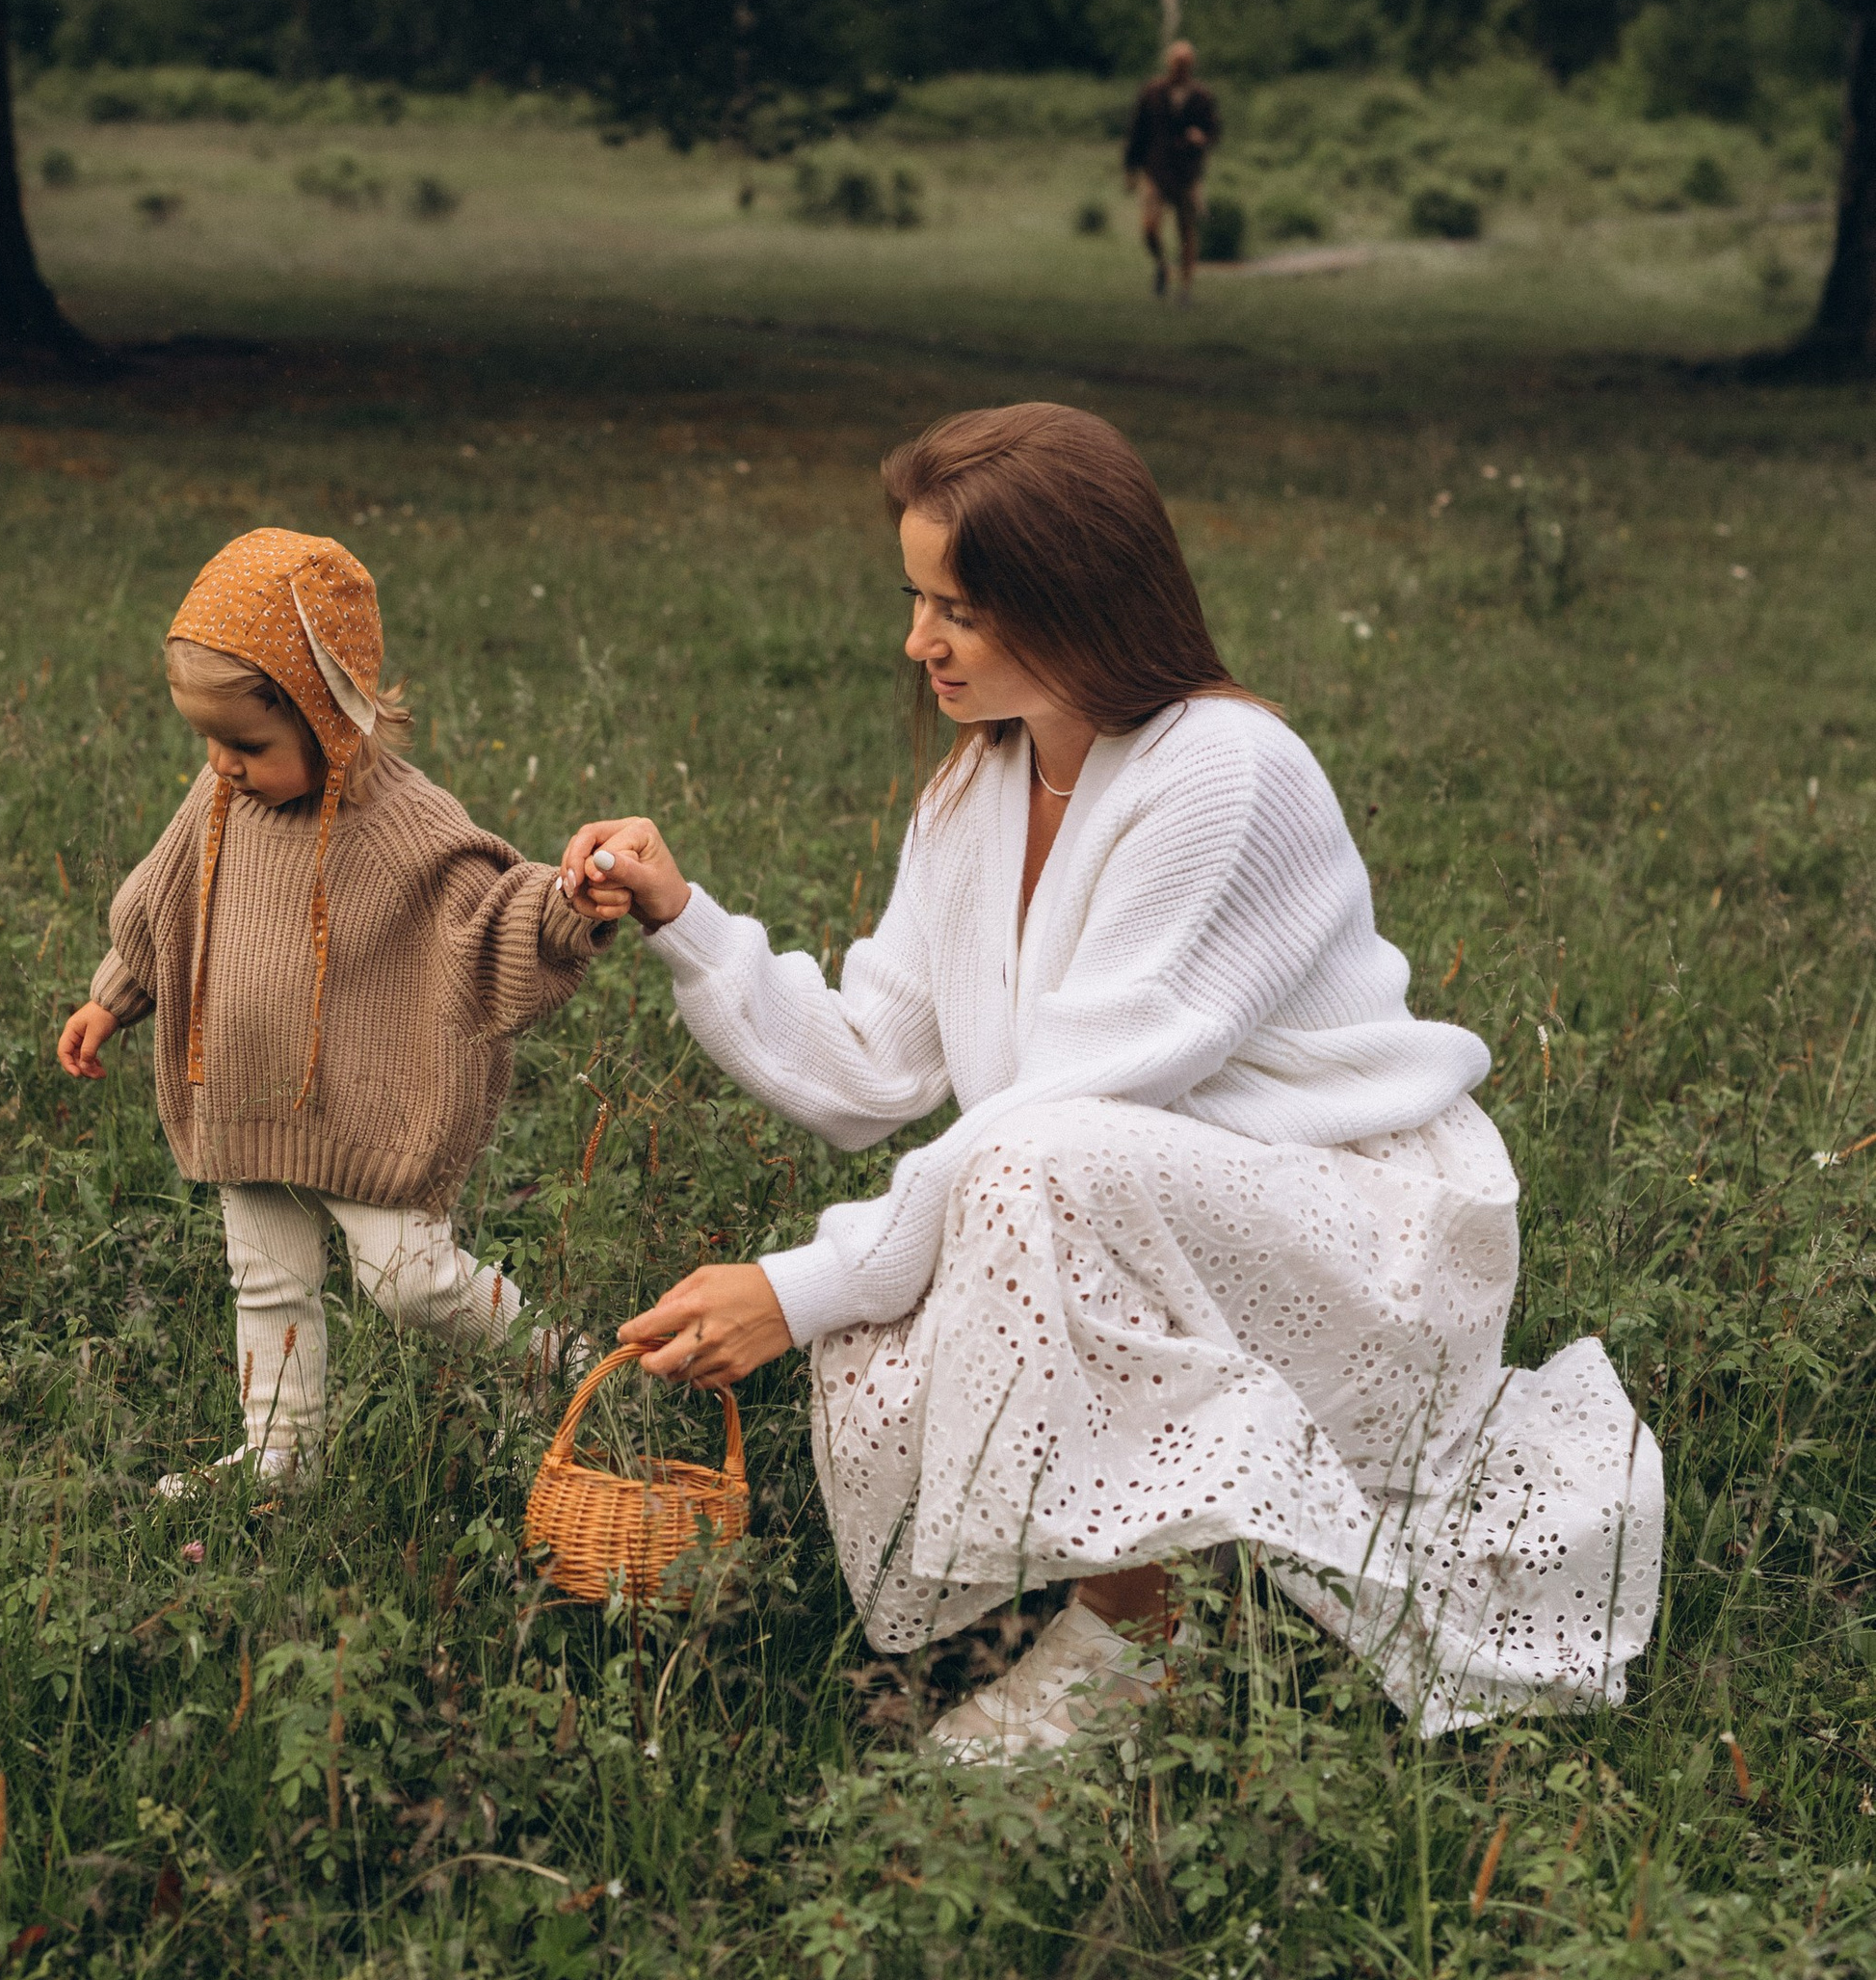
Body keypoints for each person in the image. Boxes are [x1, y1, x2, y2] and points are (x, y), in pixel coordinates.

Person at [559, 403, 1660, 1760]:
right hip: (1145, 1195)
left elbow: (1073, 1107)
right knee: (953, 1235)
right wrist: (690, 925)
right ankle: (1062, 1585)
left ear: (1073, 599)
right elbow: (872, 1069)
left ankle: (1134, 1635)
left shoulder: (1226, 774)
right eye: (915, 598)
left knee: (1020, 1175)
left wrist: (802, 1286)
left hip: (1353, 1235)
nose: (917, 642)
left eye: (957, 608)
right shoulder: (979, 788)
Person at [59, 526, 601, 1487]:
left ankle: (571, 1368)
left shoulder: (400, 824)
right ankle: (282, 1458)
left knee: (410, 1283)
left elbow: (488, 914)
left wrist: (567, 908)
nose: (223, 765)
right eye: (208, 742)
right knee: (265, 1287)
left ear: (330, 710)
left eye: (248, 744)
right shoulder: (220, 802)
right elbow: (166, 902)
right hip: (244, 1093)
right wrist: (115, 996)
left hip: (366, 1107)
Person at [1123, 40, 1221, 297]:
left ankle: (1186, 288)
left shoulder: (1202, 96)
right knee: (1149, 228)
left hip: (1187, 172)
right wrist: (1131, 168)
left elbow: (1214, 132)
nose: (1181, 68)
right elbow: (1138, 131)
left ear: (1192, 65)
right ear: (1169, 63)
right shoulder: (1152, 92)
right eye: (1177, 63)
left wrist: (1202, 137)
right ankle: (1162, 265)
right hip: (1156, 170)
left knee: (1186, 231)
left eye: (1186, 63)